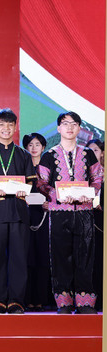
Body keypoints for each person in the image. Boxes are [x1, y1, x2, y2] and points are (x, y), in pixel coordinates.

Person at [37, 112, 103, 314]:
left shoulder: (88, 153)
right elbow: (41, 183)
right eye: (65, 124)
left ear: (79, 128)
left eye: (74, 124)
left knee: (85, 256)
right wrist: (56, 194)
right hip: (59, 212)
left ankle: (85, 301)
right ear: (59, 128)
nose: (69, 127)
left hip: (84, 211)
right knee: (60, 256)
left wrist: (91, 193)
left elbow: (97, 178)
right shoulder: (49, 155)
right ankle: (64, 301)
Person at [0, 109, 35, 314]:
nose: (6, 128)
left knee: (19, 257)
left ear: (15, 127)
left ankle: (16, 301)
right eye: (2, 124)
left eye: (10, 124)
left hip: (19, 211)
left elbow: (31, 183)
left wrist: (25, 190)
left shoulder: (24, 154)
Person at [22, 132, 51, 311]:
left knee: (42, 257)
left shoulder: (48, 167)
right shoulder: (21, 166)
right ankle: (26, 299)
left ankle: (41, 299)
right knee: (26, 257)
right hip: (25, 215)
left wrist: (50, 202)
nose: (34, 148)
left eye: (37, 144)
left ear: (43, 147)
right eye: (30, 145)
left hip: (44, 215)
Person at [86, 138, 104, 311]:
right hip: (87, 221)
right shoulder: (83, 174)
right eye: (89, 151)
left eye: (96, 150)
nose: (92, 154)